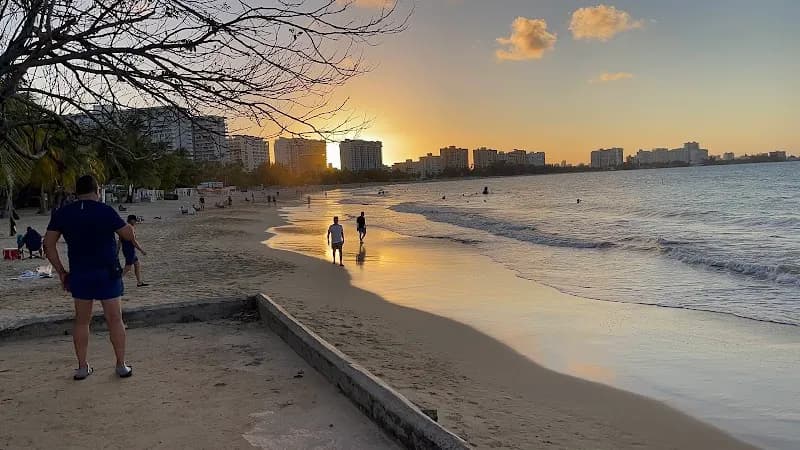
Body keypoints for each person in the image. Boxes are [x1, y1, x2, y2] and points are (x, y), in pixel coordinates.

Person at [44, 174, 134, 380]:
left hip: (80, 273)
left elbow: (48, 244)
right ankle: (121, 365)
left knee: (82, 322)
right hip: (107, 272)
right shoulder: (105, 211)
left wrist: (61, 271)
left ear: (76, 192)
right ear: (97, 190)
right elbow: (127, 234)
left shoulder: (64, 213)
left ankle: (82, 368)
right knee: (115, 319)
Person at [120, 215, 148, 287]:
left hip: (127, 249)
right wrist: (141, 250)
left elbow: (119, 241)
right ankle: (117, 280)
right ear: (131, 220)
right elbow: (134, 241)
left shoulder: (124, 227)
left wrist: (117, 251)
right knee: (128, 267)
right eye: (134, 220)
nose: (135, 221)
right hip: (129, 250)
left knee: (137, 264)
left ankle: (139, 282)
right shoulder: (130, 228)